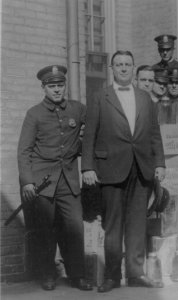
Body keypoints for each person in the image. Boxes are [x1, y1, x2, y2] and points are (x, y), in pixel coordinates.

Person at [81, 50, 166, 292]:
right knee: (113, 225)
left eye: (128, 64)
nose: (124, 68)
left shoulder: (144, 97)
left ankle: (136, 273)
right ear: (112, 68)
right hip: (110, 168)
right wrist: (87, 166)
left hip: (141, 168)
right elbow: (89, 135)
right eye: (119, 64)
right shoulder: (100, 96)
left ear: (133, 67)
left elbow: (153, 133)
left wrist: (159, 163)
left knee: (137, 223)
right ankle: (112, 276)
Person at [17, 65, 92, 291]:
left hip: (69, 181)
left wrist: (83, 141)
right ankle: (48, 274)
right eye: (52, 86)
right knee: (45, 230)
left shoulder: (78, 109)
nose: (57, 90)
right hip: (43, 183)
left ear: (64, 86)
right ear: (44, 88)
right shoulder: (34, 114)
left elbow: (95, 127)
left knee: (74, 228)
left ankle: (77, 275)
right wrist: (28, 181)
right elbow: (24, 151)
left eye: (60, 85)